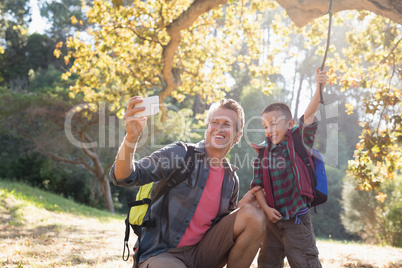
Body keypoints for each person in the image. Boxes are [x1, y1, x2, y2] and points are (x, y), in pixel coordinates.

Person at [110, 97, 265, 268]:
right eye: (214, 122)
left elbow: (220, 231)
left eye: (227, 124)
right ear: (207, 127)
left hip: (202, 255)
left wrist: (240, 209)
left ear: (237, 135)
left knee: (253, 216)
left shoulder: (230, 179)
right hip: (162, 254)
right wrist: (131, 137)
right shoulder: (181, 154)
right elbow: (124, 177)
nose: (219, 128)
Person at [250, 68, 328, 268]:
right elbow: (257, 187)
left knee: (304, 262)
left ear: (290, 123)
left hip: (297, 220)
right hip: (273, 222)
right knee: (267, 262)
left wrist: (319, 88)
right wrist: (266, 209)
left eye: (274, 123)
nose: (269, 130)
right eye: (265, 126)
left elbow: (309, 114)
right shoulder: (262, 153)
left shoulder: (298, 141)